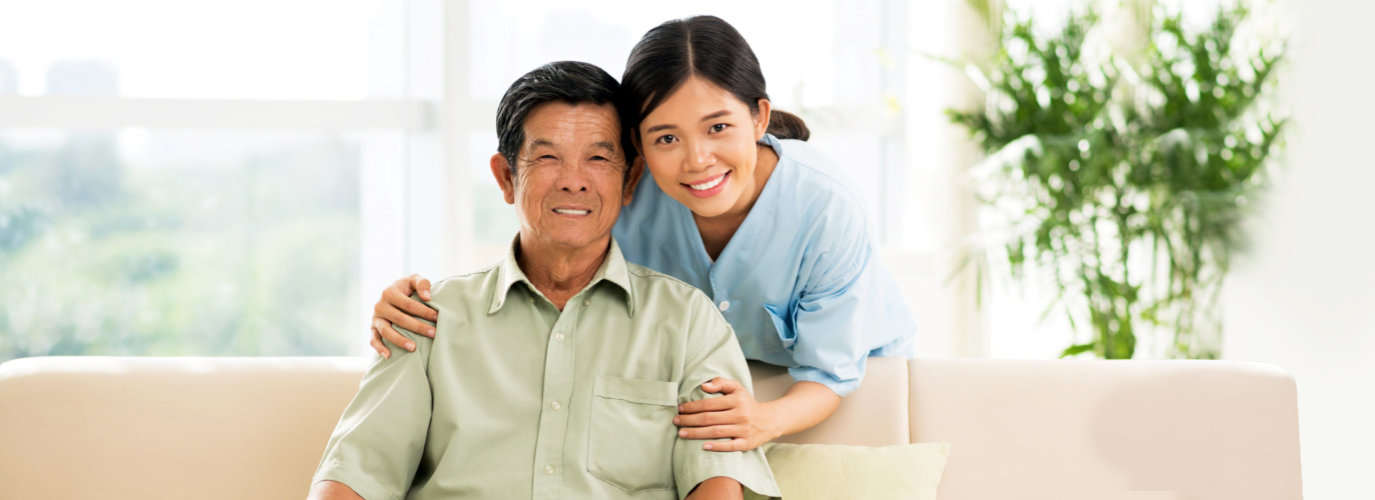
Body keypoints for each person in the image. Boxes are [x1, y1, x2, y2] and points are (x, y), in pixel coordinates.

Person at [370, 15, 917, 453]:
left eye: (718, 127)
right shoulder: (626, 191)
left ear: (758, 117)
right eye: (665, 137)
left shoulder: (824, 206)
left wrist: (763, 419)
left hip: (837, 383)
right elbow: (547, 254)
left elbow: (831, 371)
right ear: (638, 146)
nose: (697, 160)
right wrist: (414, 304)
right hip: (699, 380)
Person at [308, 61, 778, 500]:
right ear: (507, 176)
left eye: (598, 158)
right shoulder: (427, 316)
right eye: (548, 157)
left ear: (630, 179)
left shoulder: (689, 321)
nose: (574, 181)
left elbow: (716, 483)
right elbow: (355, 476)